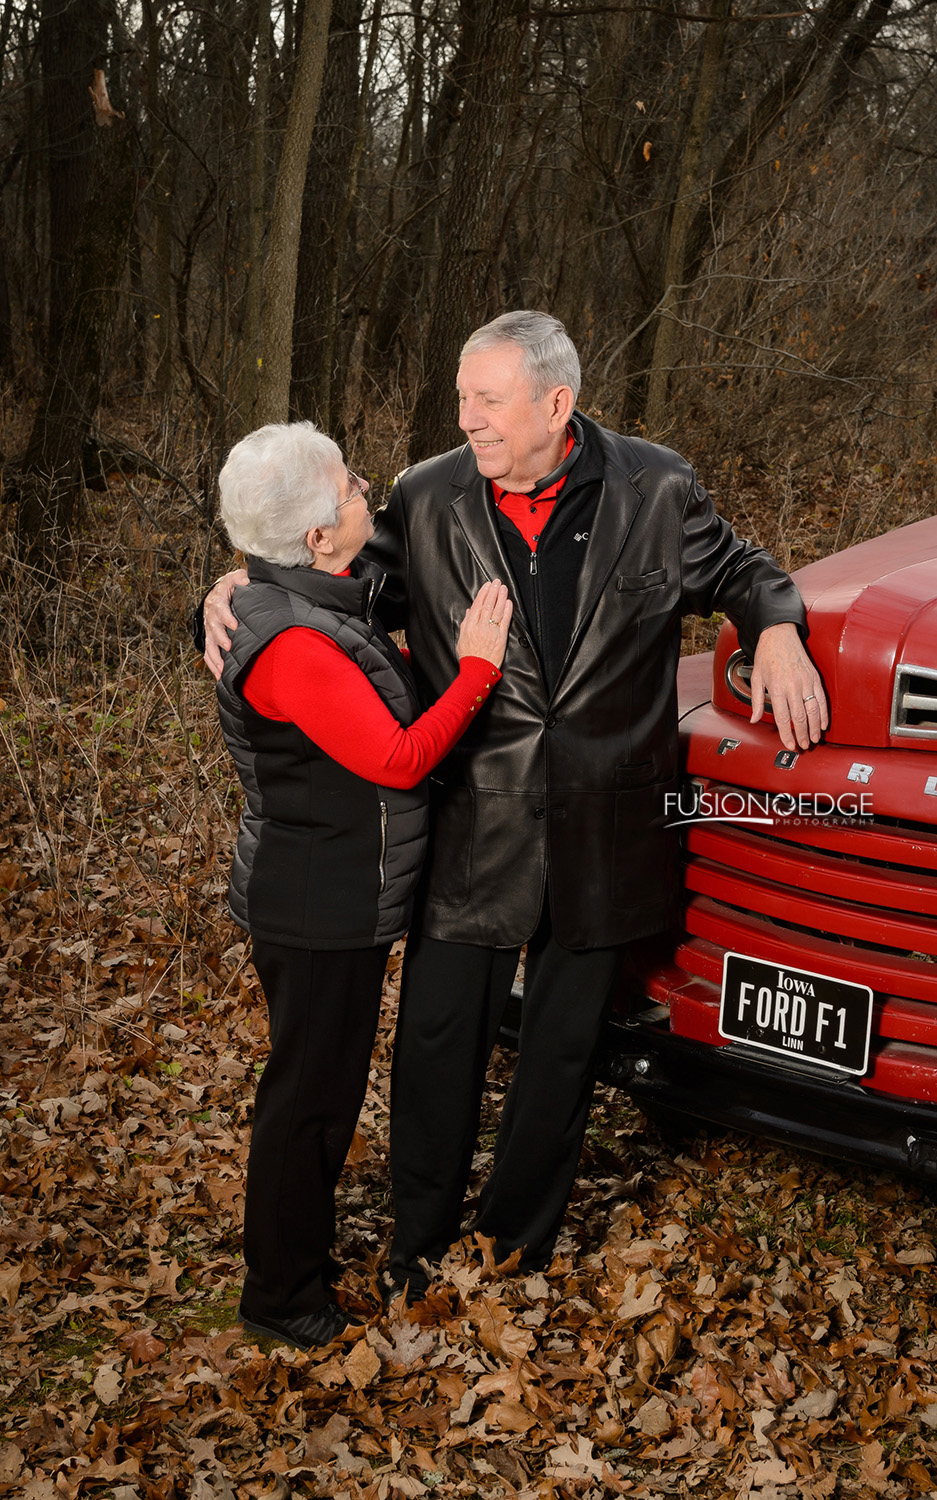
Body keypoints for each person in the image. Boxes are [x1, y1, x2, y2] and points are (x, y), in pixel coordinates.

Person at [201, 313, 826, 1303]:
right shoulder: (430, 495)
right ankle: (419, 1246)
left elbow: (747, 573)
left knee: (561, 1057)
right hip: (473, 826)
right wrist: (237, 585)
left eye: (487, 401)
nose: (468, 420)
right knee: (439, 1048)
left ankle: (516, 1245)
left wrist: (778, 627)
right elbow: (331, 589)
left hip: (603, 831)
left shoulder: (657, 490)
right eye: (463, 398)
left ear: (556, 404)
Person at [212, 420, 512, 1347]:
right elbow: (397, 757)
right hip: (316, 907)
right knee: (309, 1103)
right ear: (315, 537)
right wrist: (477, 671)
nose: (367, 499)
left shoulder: (314, 595)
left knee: (315, 1092)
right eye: (351, 491)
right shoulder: (296, 645)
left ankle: (294, 1261)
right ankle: (281, 1296)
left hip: (332, 893)